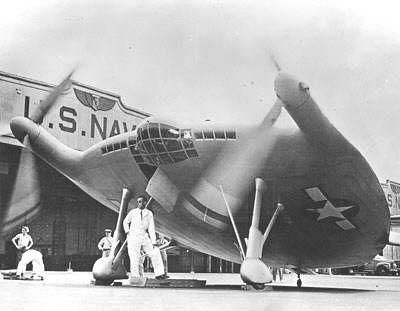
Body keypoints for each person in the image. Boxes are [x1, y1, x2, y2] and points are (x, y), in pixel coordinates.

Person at [123, 195, 166, 280]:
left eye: (141, 201)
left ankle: (159, 274)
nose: (139, 203)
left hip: (144, 235)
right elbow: (125, 222)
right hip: (133, 236)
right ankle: (135, 276)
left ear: (145, 202)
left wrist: (153, 241)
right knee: (134, 257)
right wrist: (127, 231)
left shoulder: (149, 213)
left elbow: (151, 228)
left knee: (155, 251)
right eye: (138, 202)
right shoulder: (133, 212)